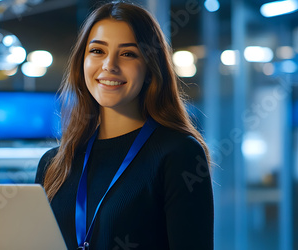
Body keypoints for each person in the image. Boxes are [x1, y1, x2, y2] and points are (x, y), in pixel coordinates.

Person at [35, 1, 214, 250]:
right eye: (97, 51)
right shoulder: (53, 163)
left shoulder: (178, 153)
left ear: (150, 67)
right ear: (81, 62)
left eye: (128, 53)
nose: (109, 65)